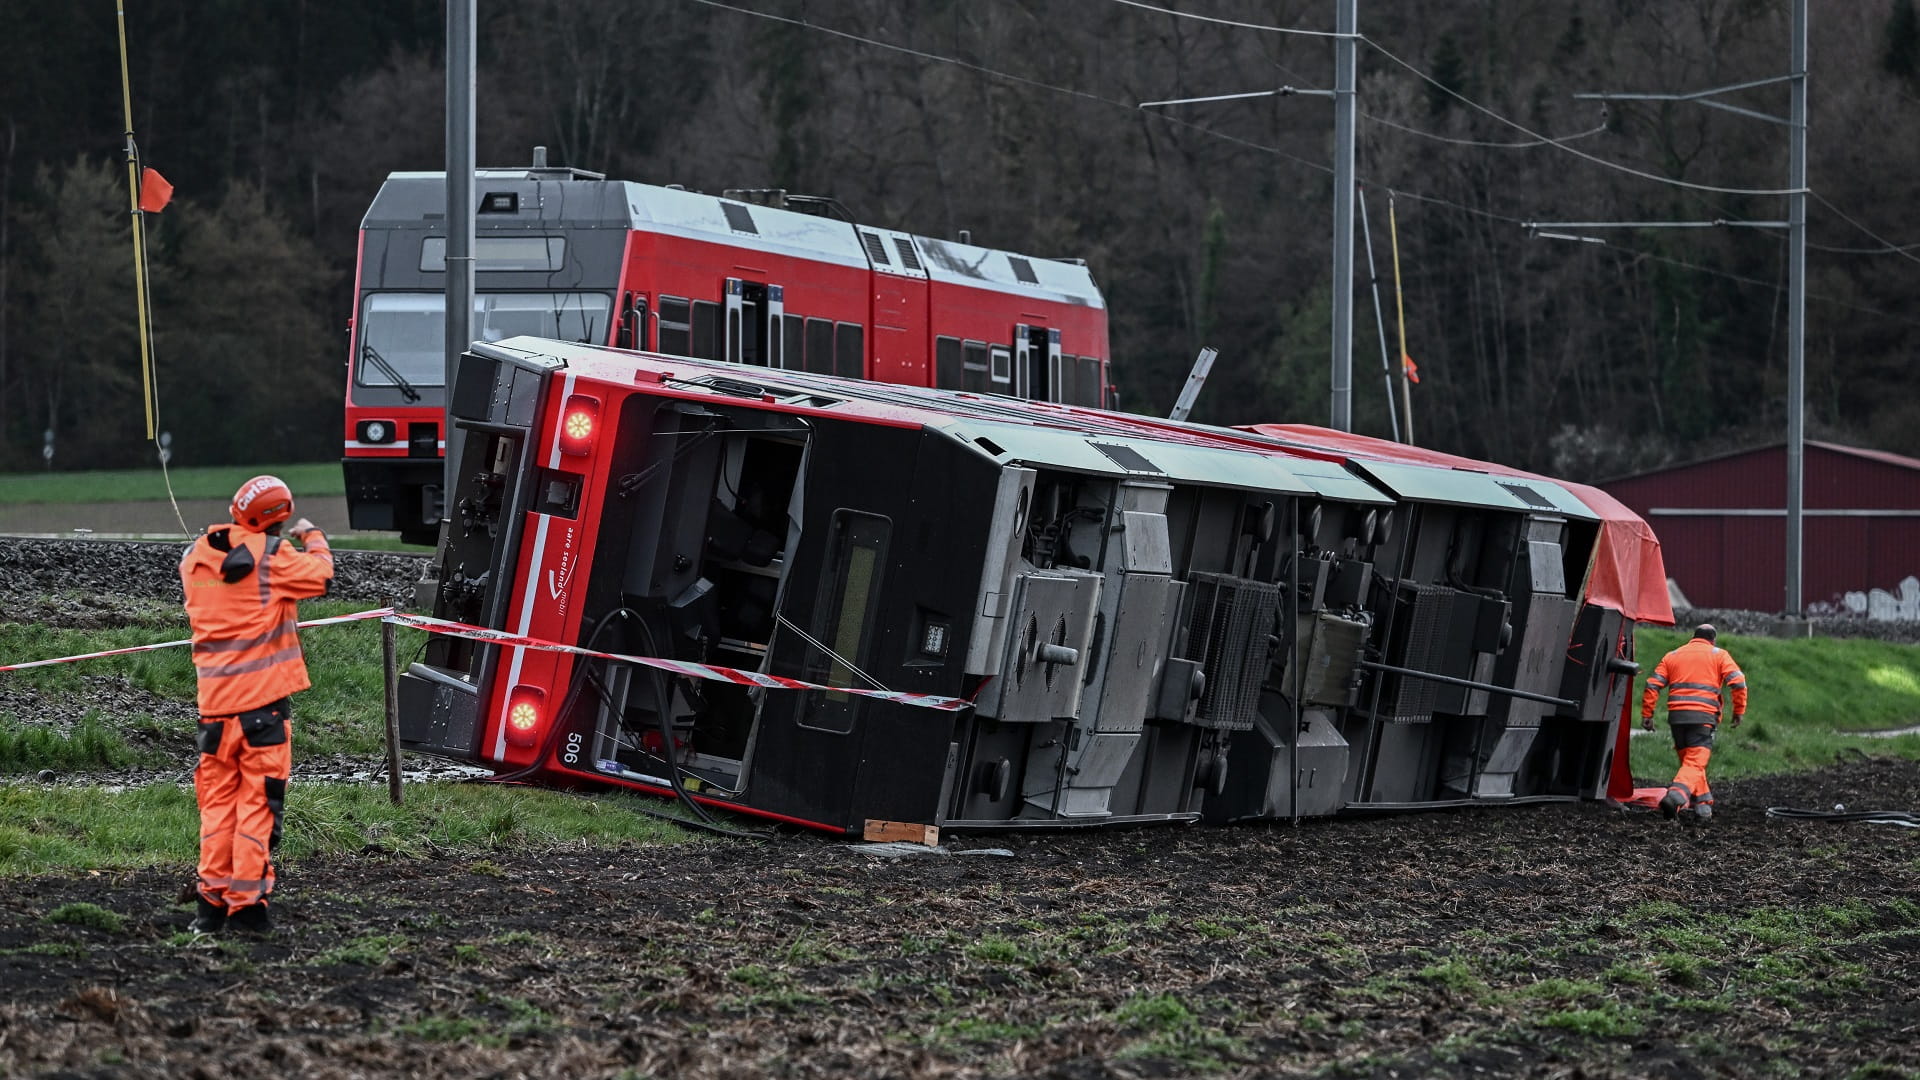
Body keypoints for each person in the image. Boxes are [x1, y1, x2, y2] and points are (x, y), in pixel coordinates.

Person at [178, 476, 334, 934]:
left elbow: (229, 569)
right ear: (278, 520)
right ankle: (247, 911)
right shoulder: (274, 557)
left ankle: (210, 909)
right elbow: (321, 575)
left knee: (217, 810)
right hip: (263, 712)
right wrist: (312, 535)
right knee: (257, 809)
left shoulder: (196, 557)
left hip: (213, 712)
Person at [1640, 623, 1747, 822]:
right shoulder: (1719, 654)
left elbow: (1652, 684)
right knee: (1695, 762)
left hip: (1677, 718)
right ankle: (1676, 796)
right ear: (1712, 639)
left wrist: (1648, 714)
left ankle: (1703, 806)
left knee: (1691, 763)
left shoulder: (1672, 655)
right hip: (1703, 717)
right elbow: (1738, 682)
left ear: (1693, 637)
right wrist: (1738, 711)